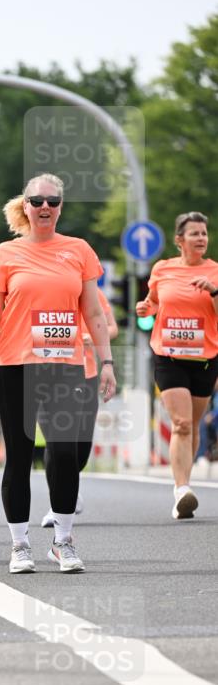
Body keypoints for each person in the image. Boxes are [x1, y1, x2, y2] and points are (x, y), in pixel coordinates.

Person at [0, 173, 116, 574]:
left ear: (61, 207)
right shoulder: (5, 253)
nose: (45, 207)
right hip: (16, 365)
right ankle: (19, 545)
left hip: (65, 368)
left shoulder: (79, 250)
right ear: (26, 206)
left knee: (65, 454)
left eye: (53, 201)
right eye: (37, 201)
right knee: (18, 456)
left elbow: (94, 313)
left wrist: (106, 363)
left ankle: (63, 541)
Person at [136, 211, 218, 518]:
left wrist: (213, 291)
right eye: (194, 233)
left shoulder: (215, 271)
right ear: (179, 240)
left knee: (193, 424)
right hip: (168, 355)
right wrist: (146, 307)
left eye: (204, 233)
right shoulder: (163, 268)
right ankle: (181, 489)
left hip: (205, 358)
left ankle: (185, 481)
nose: (201, 238)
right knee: (182, 424)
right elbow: (154, 301)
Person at [41, 286, 118, 525]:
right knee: (55, 442)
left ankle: (69, 489)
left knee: (80, 447)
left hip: (85, 374)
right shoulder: (39, 288)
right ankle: (58, 505)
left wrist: (91, 338)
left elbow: (112, 327)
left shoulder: (92, 292)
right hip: (46, 373)